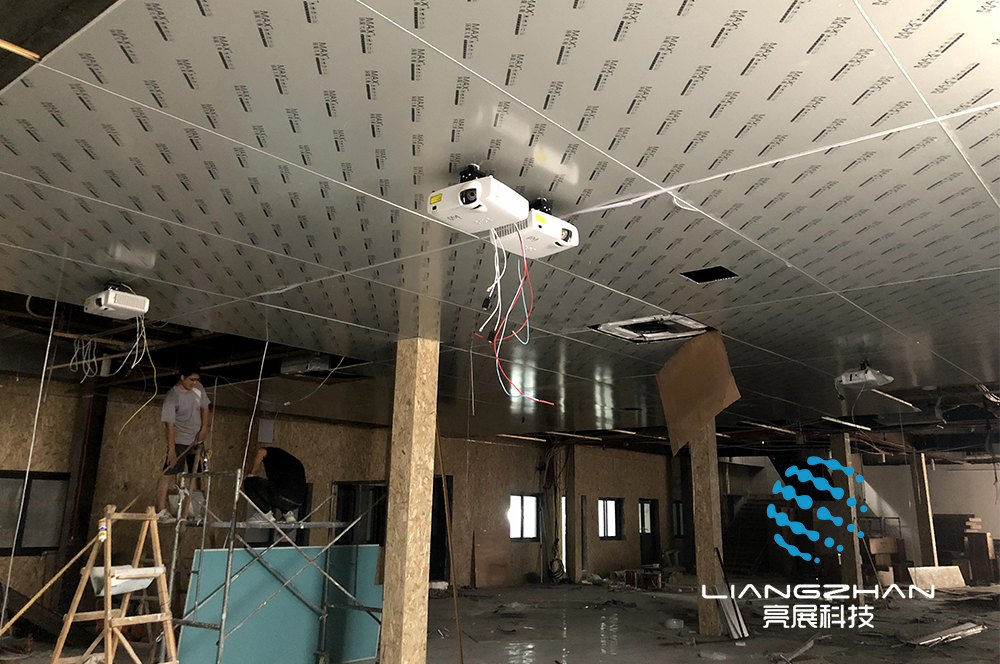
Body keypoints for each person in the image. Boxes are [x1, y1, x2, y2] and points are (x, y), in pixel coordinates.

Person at [157, 362, 210, 518]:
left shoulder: (199, 388)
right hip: (180, 441)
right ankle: (161, 509)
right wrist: (172, 450)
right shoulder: (172, 397)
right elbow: (170, 426)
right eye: (191, 380)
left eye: (196, 380)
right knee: (169, 472)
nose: (194, 383)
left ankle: (199, 509)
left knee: (199, 473)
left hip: (196, 440)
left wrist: (203, 429)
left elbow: (205, 408)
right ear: (182, 377)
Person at [244, 446, 307, 522]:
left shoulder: (272, 453)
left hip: (282, 495)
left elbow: (261, 452)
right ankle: (288, 514)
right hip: (298, 502)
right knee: (279, 490)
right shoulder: (288, 462)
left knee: (249, 482)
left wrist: (252, 473)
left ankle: (265, 513)